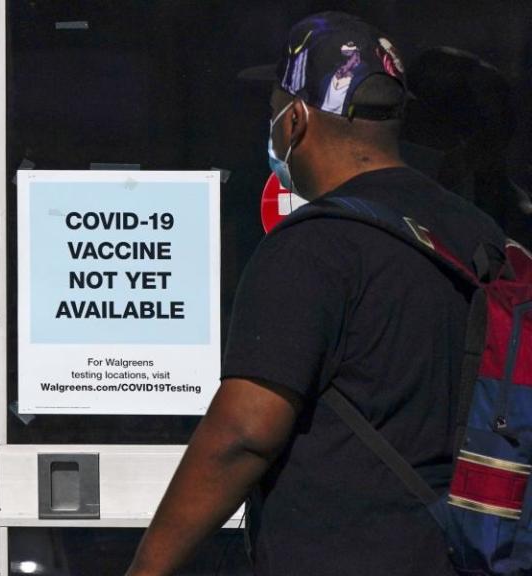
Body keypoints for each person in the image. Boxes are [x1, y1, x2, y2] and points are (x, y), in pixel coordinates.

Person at [126, 11, 505, 576]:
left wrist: (147, 569)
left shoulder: (311, 247)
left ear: (295, 119)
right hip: (465, 555)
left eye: (273, 109)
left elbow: (242, 434)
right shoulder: (479, 237)